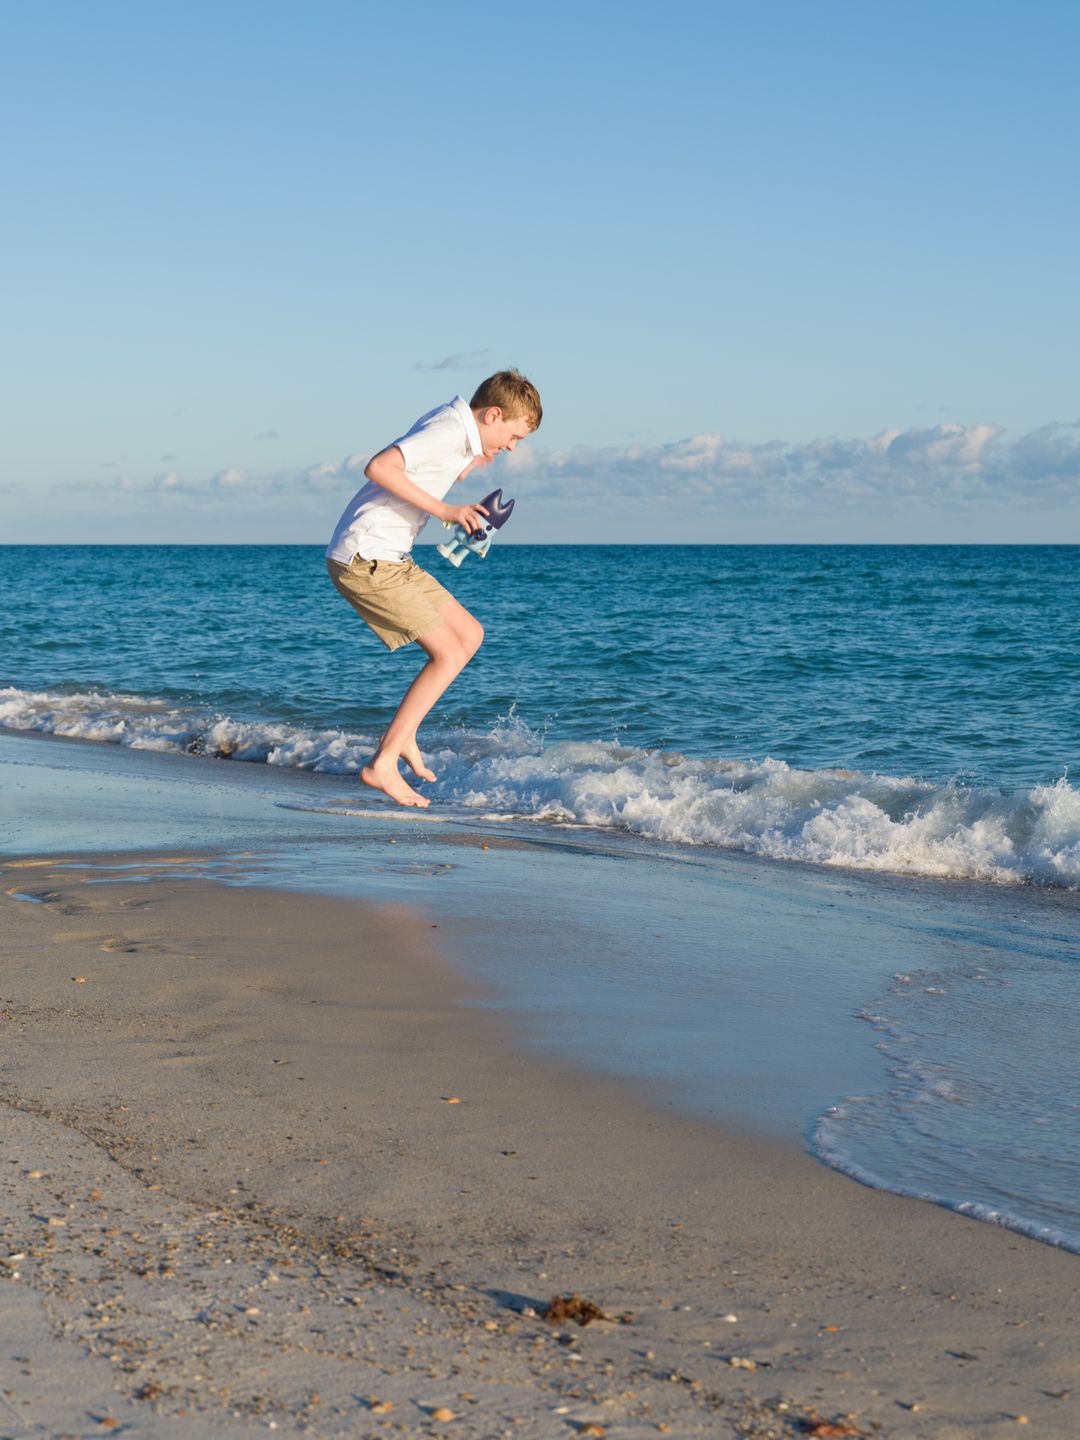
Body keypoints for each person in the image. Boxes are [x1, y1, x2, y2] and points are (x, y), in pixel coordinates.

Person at [326, 369, 542, 808]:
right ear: (493, 415)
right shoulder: (447, 430)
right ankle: (383, 762)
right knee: (447, 653)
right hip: (367, 558)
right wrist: (447, 511)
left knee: (470, 635)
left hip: (393, 557)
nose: (512, 447)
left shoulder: (456, 431)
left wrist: (469, 467)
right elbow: (379, 467)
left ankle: (402, 736)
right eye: (514, 436)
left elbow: (429, 466)